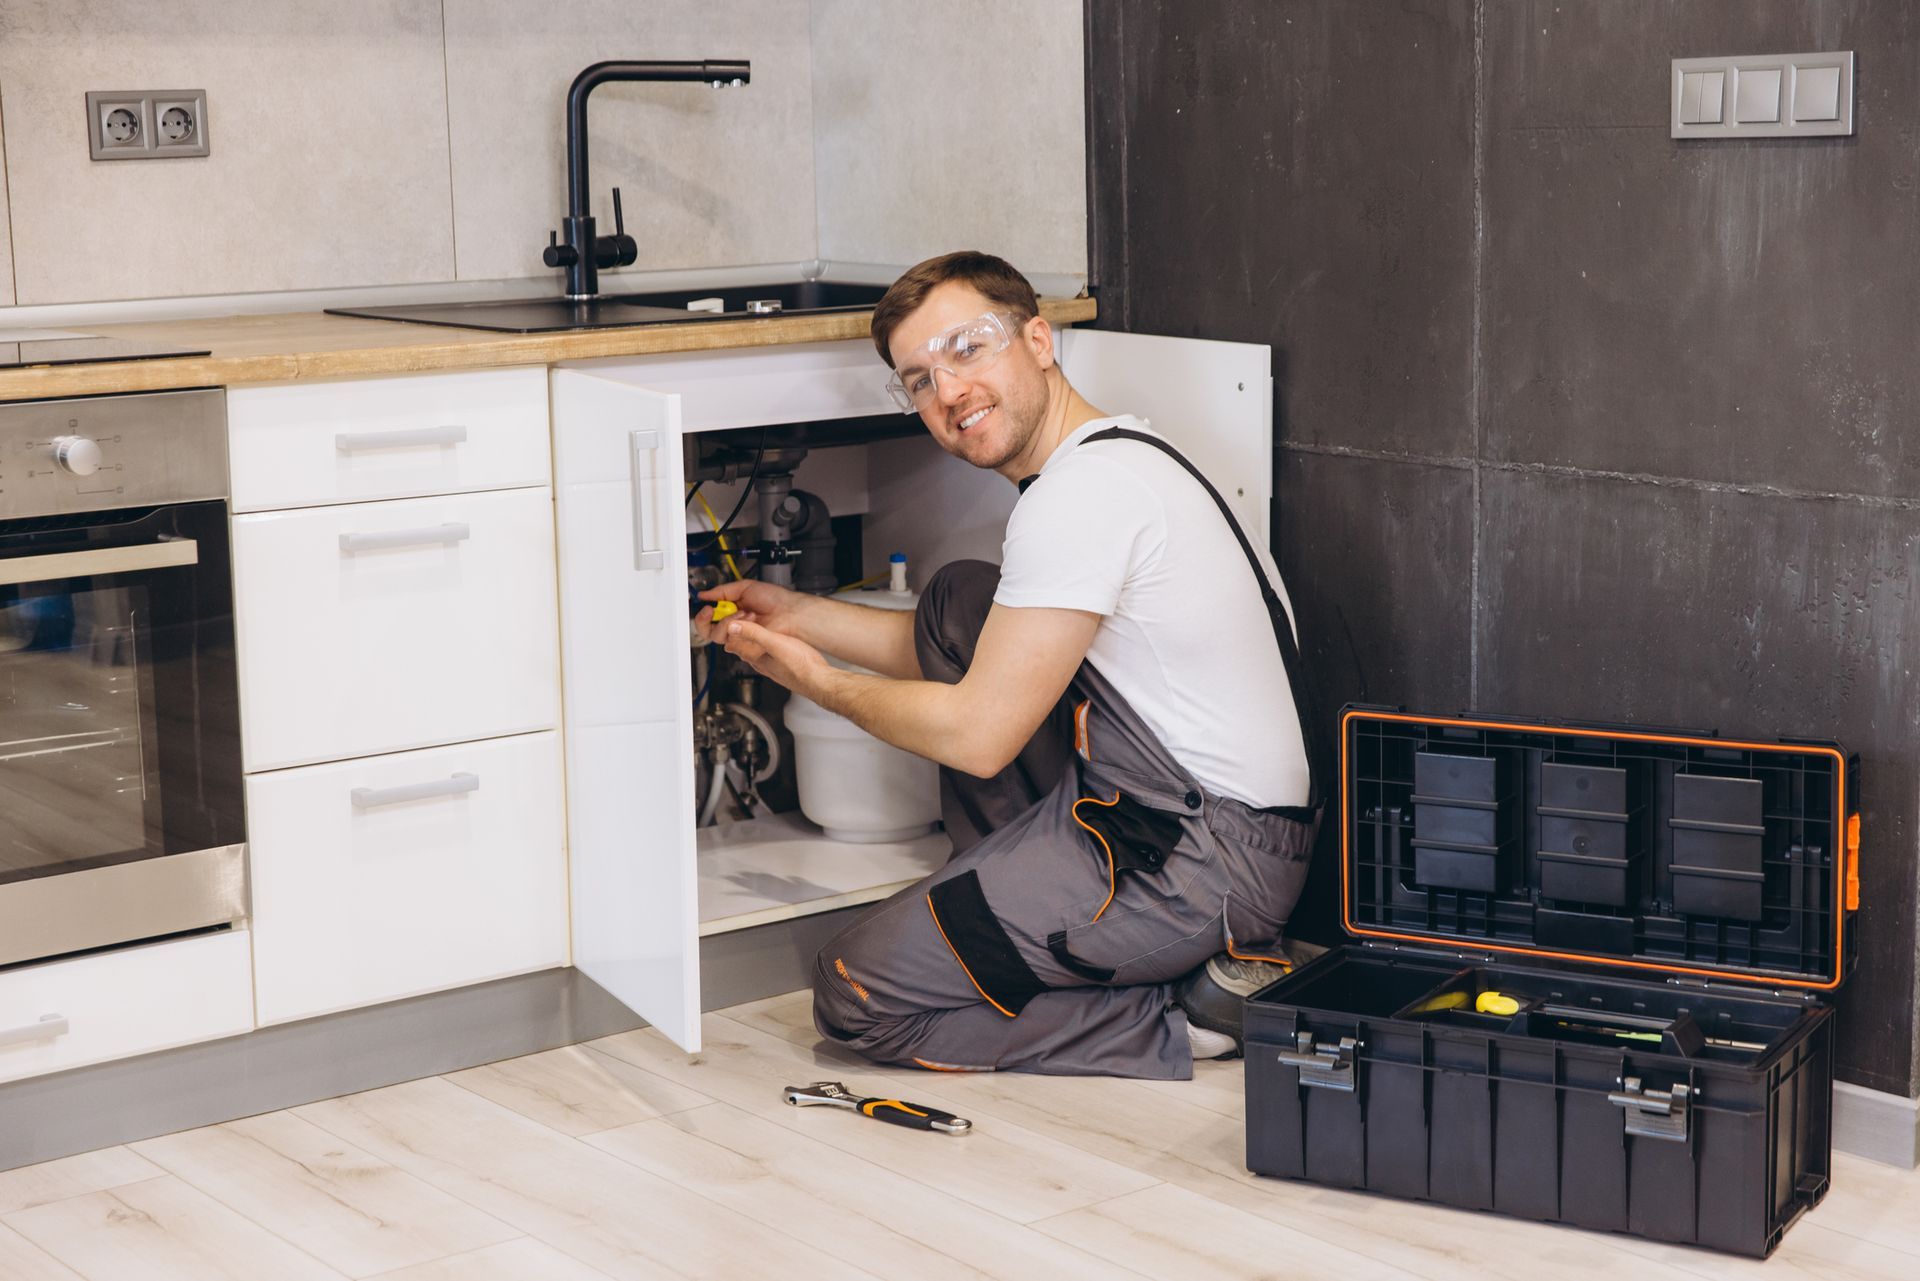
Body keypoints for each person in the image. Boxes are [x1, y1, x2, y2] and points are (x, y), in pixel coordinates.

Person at [694, 250, 1318, 1078]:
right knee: (959, 604)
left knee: (855, 991)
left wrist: (813, 680)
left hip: (1200, 860)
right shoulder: (1117, 455)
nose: (947, 392)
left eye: (967, 349)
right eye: (918, 379)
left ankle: (1187, 1016)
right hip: (1195, 823)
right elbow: (981, 655)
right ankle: (1018, 919)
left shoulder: (1080, 497)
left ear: (1038, 339)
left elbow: (980, 737)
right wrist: (798, 614)